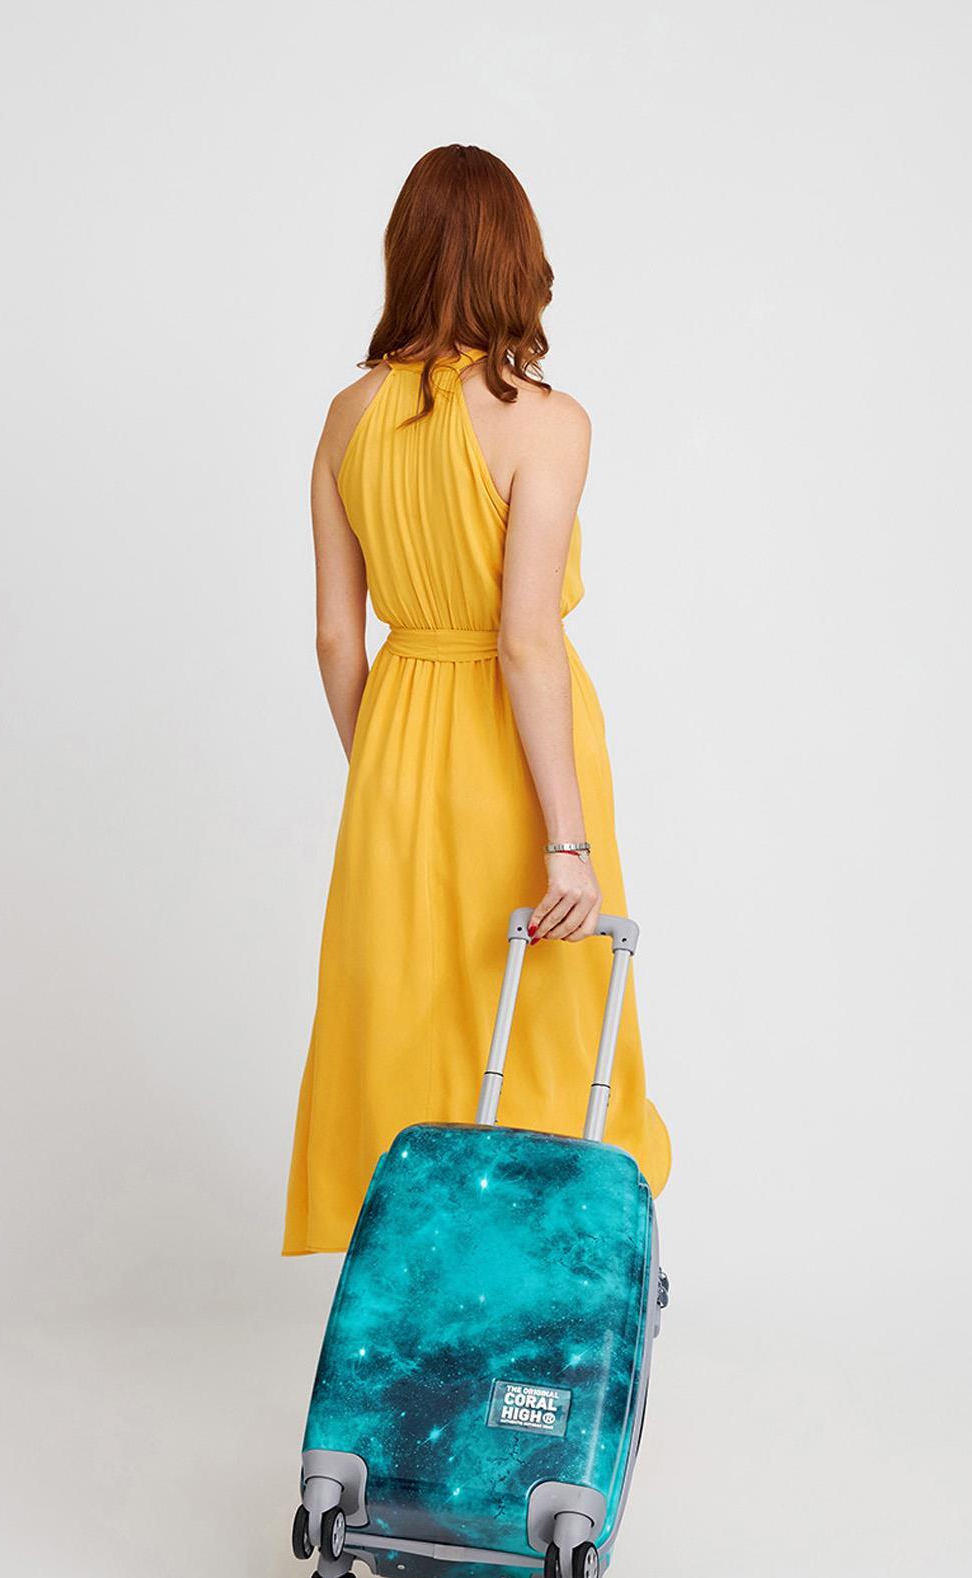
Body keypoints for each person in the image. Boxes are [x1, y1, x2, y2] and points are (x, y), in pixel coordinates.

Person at [282, 144, 671, 1255]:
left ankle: (421, 1318)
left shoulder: (346, 417)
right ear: (517, 259)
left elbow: (334, 634)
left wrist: (387, 773)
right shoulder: (548, 421)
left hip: (397, 749)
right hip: (518, 763)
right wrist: (568, 845)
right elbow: (525, 638)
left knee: (404, 1028)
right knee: (547, 1024)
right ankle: (541, 1302)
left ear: (404, 255)